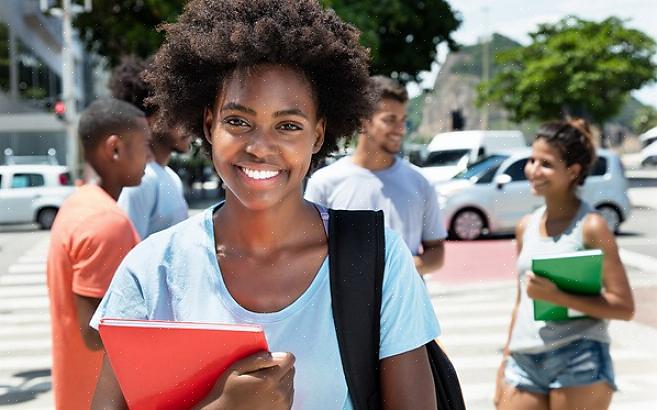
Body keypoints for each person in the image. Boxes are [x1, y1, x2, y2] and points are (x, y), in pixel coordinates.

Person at [89, 1, 441, 409]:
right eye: (238, 121)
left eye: (288, 126)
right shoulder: (151, 270)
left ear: (317, 135)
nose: (259, 147)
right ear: (209, 124)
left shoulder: (379, 259)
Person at [494, 120, 635, 410]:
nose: (533, 170)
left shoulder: (592, 227)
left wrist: (557, 297)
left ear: (573, 171)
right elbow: (522, 302)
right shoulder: (526, 226)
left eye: (545, 164)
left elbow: (624, 306)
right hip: (523, 361)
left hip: (579, 356)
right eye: (532, 160)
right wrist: (504, 362)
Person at [46, 97, 151, 409]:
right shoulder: (106, 221)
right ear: (115, 148)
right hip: (103, 397)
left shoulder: (79, 204)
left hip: (79, 393)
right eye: (144, 146)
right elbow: (96, 333)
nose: (149, 157)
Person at [304, 75, 446, 275]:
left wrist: (393, 271)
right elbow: (307, 251)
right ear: (364, 122)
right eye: (390, 120)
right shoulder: (324, 183)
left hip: (407, 304)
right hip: (343, 304)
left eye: (403, 121)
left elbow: (436, 252)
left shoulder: (420, 183)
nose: (400, 129)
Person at [109, 55, 192, 239]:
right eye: (176, 114)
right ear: (148, 122)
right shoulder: (141, 181)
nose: (188, 124)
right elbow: (127, 256)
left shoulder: (170, 176)